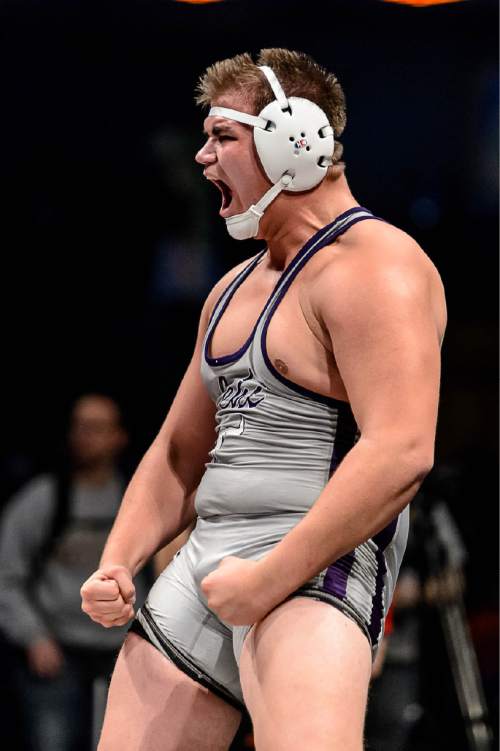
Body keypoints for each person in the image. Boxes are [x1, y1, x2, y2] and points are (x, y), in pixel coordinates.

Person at [81, 48, 447, 751]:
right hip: (208, 560)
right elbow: (179, 451)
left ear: (294, 136)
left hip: (312, 566)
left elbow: (402, 450)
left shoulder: (378, 268)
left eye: (222, 137)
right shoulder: (230, 289)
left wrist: (269, 578)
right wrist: (120, 559)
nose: (200, 157)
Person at [0, 393, 150, 751]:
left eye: (96, 428)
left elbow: (159, 572)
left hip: (121, 652)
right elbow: (8, 576)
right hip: (58, 650)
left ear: (119, 436)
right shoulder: (44, 499)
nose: (85, 436)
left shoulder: (137, 500)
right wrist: (33, 635)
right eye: (79, 427)